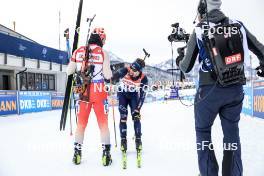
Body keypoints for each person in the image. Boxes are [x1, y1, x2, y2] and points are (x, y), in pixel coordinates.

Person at [176, 0, 264, 175]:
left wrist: (180, 59)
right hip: (235, 88)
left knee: (203, 132)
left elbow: (186, 67)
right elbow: (260, 49)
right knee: (231, 134)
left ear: (202, 9)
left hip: (208, 92)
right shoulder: (238, 25)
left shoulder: (200, 29)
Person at [66, 27, 113, 166]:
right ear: (101, 40)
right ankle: (106, 155)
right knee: (103, 125)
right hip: (99, 91)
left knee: (81, 125)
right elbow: (108, 75)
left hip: (83, 92)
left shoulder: (78, 50)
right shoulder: (103, 53)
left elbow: (69, 71)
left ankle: (77, 154)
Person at [111, 58, 148, 153]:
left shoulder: (143, 78)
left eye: (134, 70)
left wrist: (137, 109)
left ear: (139, 71)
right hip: (122, 95)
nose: (131, 71)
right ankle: (123, 140)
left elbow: (142, 95)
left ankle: (138, 140)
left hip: (133, 97)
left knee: (136, 117)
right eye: (131, 67)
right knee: (123, 117)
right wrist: (113, 77)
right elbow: (116, 75)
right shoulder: (125, 70)